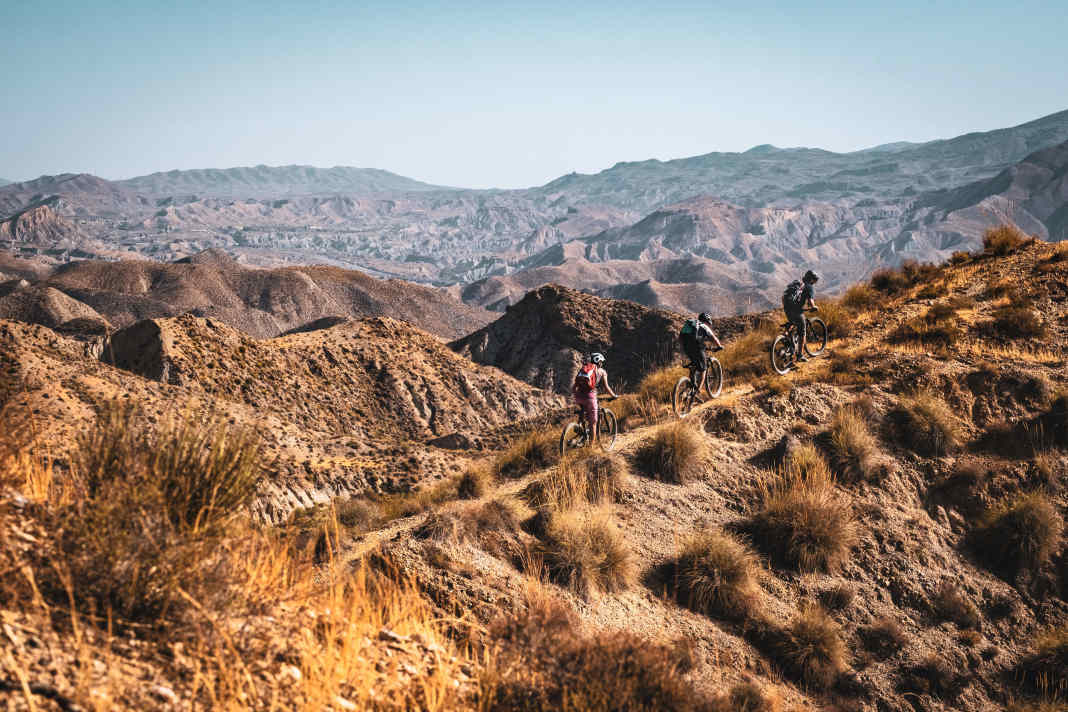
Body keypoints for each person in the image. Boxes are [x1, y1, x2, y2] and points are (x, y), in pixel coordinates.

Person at [572, 352, 618, 445]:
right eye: (601, 361)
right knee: (593, 423)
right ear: (599, 361)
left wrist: (575, 394)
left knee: (583, 412)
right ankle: (591, 448)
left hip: (578, 396)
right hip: (590, 397)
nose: (602, 363)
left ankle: (580, 428)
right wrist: (614, 395)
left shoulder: (584, 368)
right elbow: (606, 387)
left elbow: (575, 384)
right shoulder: (601, 371)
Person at [679, 312, 724, 390]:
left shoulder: (691, 324)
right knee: (704, 369)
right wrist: (719, 346)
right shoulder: (703, 326)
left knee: (694, 366)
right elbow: (713, 338)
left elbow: (681, 337)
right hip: (697, 347)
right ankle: (697, 391)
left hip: (686, 347)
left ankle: (691, 387)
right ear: (706, 321)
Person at [782, 270, 819, 361]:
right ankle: (800, 355)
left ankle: (785, 339)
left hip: (787, 308)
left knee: (792, 323)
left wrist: (787, 307)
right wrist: (814, 307)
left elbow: (784, 296)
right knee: (802, 331)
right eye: (814, 281)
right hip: (797, 311)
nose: (814, 283)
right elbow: (810, 301)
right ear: (811, 280)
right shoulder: (808, 287)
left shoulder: (797, 283)